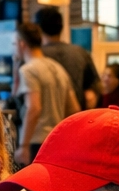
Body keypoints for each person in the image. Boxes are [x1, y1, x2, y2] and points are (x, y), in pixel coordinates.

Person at [13, 20, 78, 165]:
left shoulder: (29, 70)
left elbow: (34, 108)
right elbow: (74, 109)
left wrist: (23, 146)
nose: (13, 48)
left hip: (36, 142)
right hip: (57, 140)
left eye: (14, 43)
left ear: (22, 44)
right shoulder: (57, 68)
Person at [36, 5, 100, 110]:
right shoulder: (80, 52)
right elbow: (91, 94)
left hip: (47, 120)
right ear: (61, 26)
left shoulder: (36, 56)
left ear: (38, 27)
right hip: (76, 118)